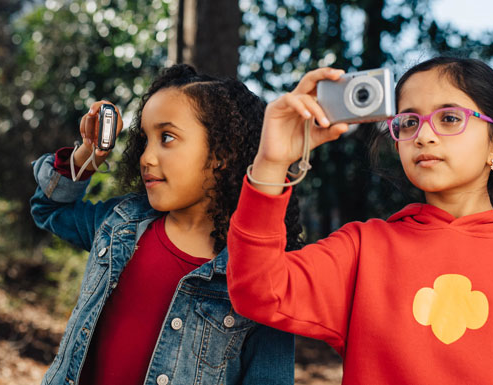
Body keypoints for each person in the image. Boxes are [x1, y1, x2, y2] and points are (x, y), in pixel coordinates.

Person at [226, 57, 493, 384]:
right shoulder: (362, 250)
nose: (424, 136)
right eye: (408, 122)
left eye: (449, 118)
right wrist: (273, 162)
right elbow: (258, 290)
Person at [30, 64, 302, 385]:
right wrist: (88, 153)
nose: (146, 157)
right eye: (145, 140)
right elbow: (49, 208)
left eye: (167, 137)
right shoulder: (121, 223)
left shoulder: (260, 278)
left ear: (222, 153)